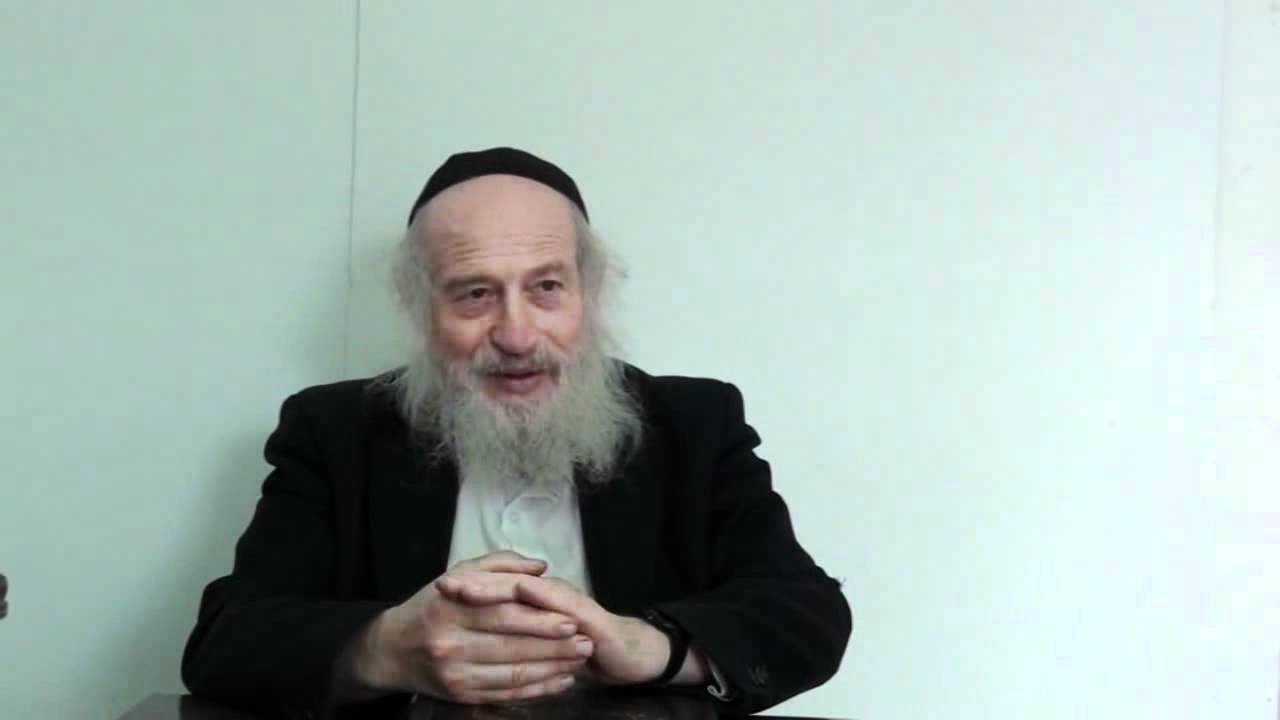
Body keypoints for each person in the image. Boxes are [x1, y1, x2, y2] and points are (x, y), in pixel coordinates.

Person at [181, 147, 851, 718]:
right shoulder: (335, 432)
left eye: (546, 287)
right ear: (422, 309)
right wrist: (389, 649)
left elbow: (805, 614)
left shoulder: (694, 423)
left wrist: (650, 647)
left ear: (588, 295)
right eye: (474, 293)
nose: (516, 334)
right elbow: (226, 641)